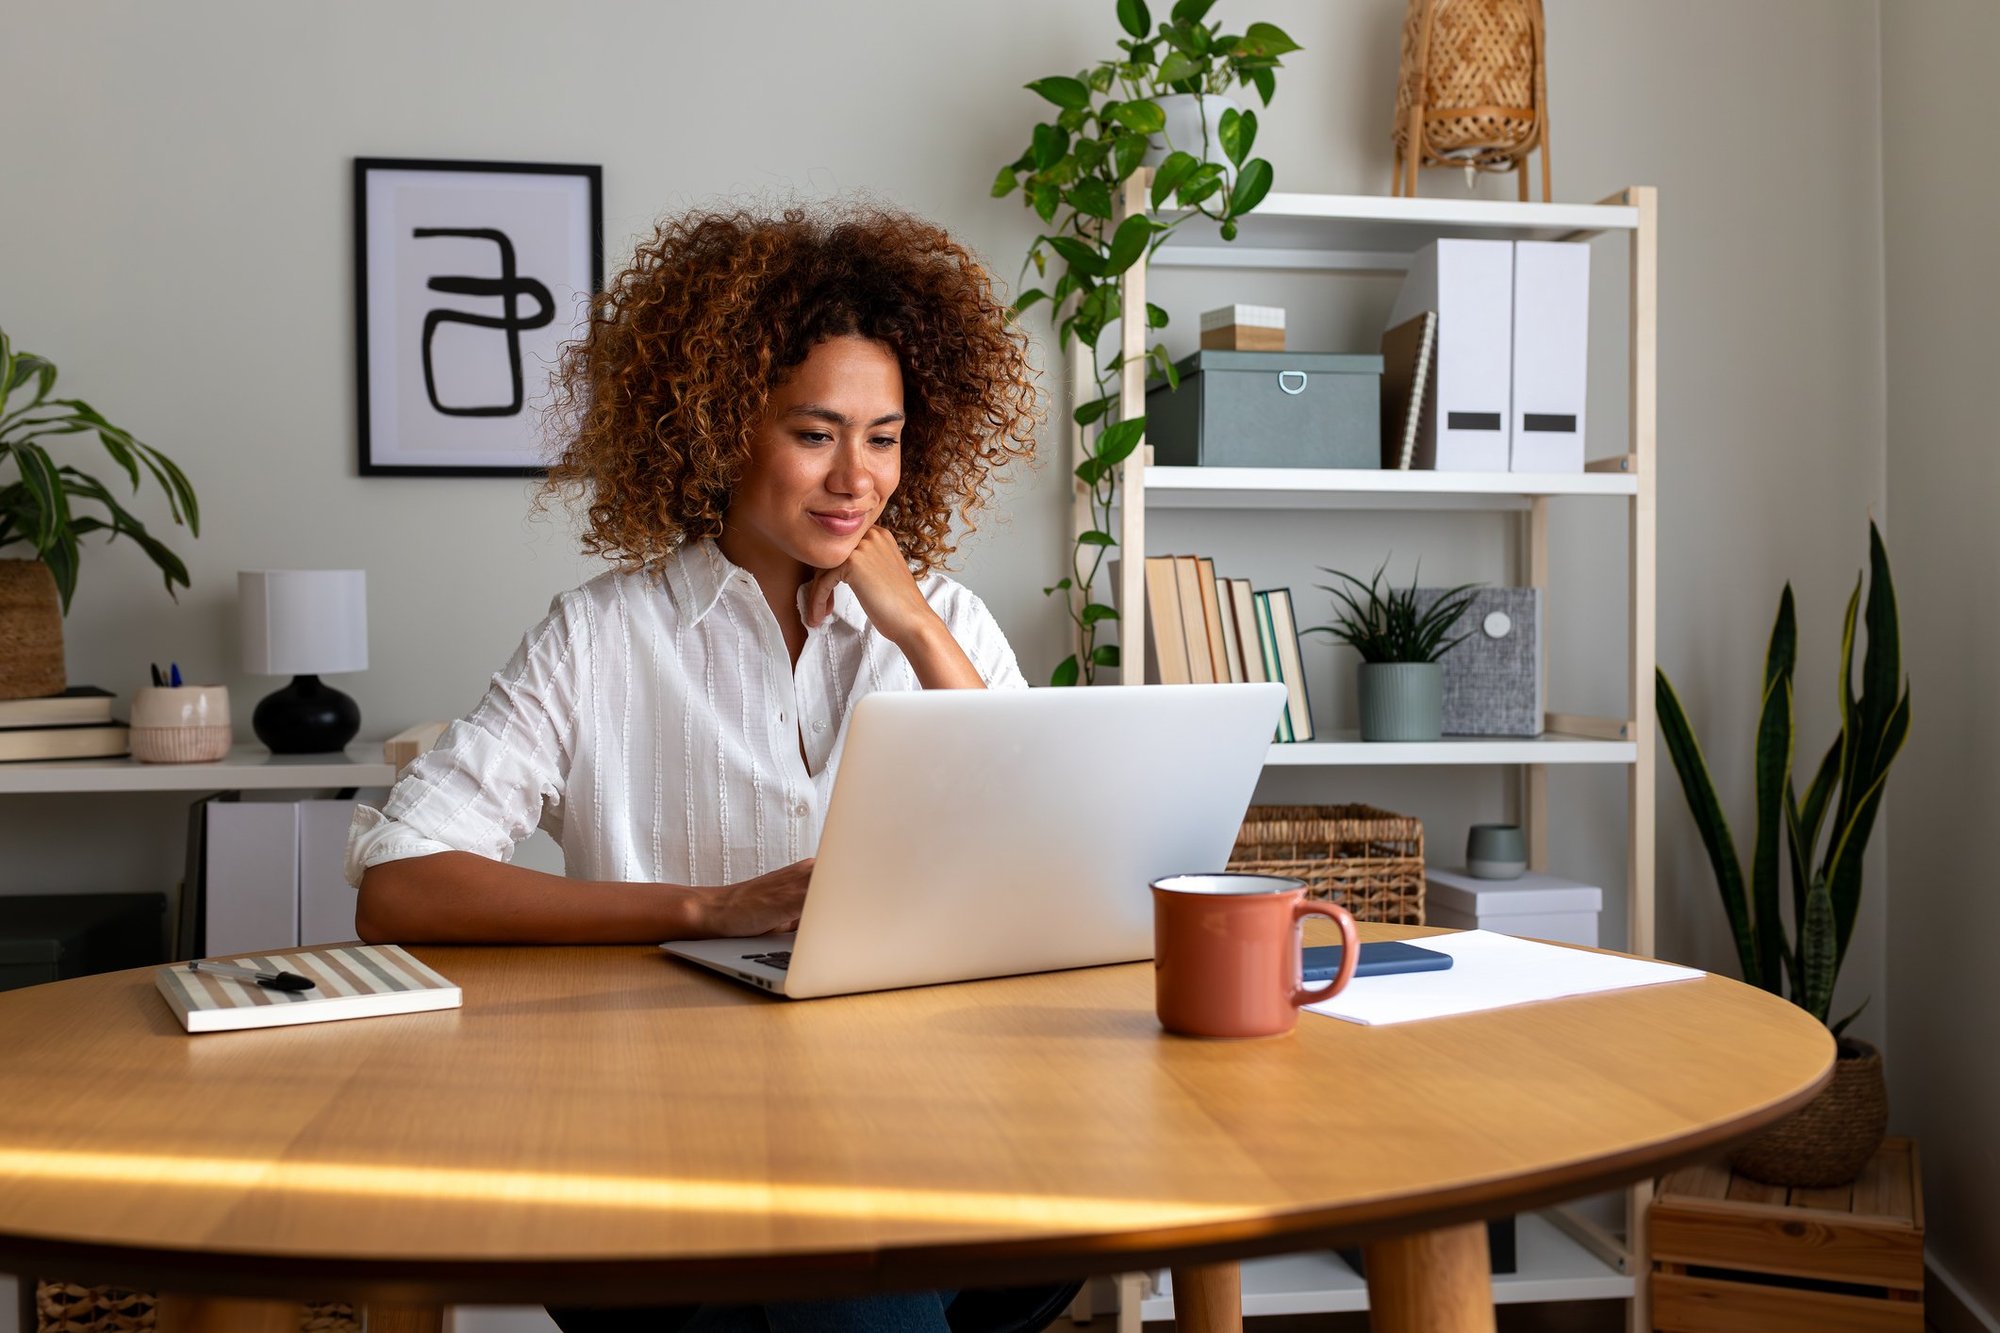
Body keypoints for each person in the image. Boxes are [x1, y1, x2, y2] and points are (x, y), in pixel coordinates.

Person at [345, 201, 1063, 1333]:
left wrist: (919, 631)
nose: (855, 478)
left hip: (919, 1110)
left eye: (882, 438)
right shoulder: (600, 635)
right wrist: (705, 907)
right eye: (814, 432)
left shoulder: (947, 620)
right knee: (848, 1288)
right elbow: (401, 884)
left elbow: (1044, 855)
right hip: (658, 1139)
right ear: (728, 424)